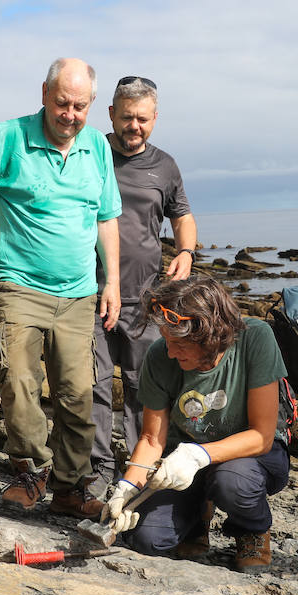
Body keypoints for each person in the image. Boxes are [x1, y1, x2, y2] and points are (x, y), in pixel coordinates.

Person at [0, 58, 121, 518]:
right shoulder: (8, 138)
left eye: (79, 106)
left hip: (79, 293)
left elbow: (106, 216)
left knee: (78, 394)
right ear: (44, 94)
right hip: (19, 286)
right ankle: (32, 470)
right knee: (17, 381)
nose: (69, 115)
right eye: (61, 103)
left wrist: (110, 280)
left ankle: (71, 489)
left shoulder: (97, 146)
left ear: (92, 105)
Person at [100, 277, 292, 572]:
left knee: (233, 480)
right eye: (166, 339)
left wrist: (197, 455)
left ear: (211, 336)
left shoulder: (256, 338)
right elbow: (152, 440)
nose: (170, 352)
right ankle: (196, 516)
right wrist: (126, 489)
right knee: (145, 539)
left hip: (250, 458)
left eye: (179, 344)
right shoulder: (160, 356)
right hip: (182, 460)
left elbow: (262, 436)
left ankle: (251, 530)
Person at [89, 75, 197, 498]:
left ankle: (139, 468)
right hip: (88, 291)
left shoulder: (164, 165)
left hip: (145, 299)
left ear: (155, 118)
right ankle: (97, 473)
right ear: (111, 113)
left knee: (143, 385)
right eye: (127, 117)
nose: (134, 126)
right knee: (93, 385)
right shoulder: (89, 151)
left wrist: (185, 253)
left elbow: (182, 214)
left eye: (143, 119)